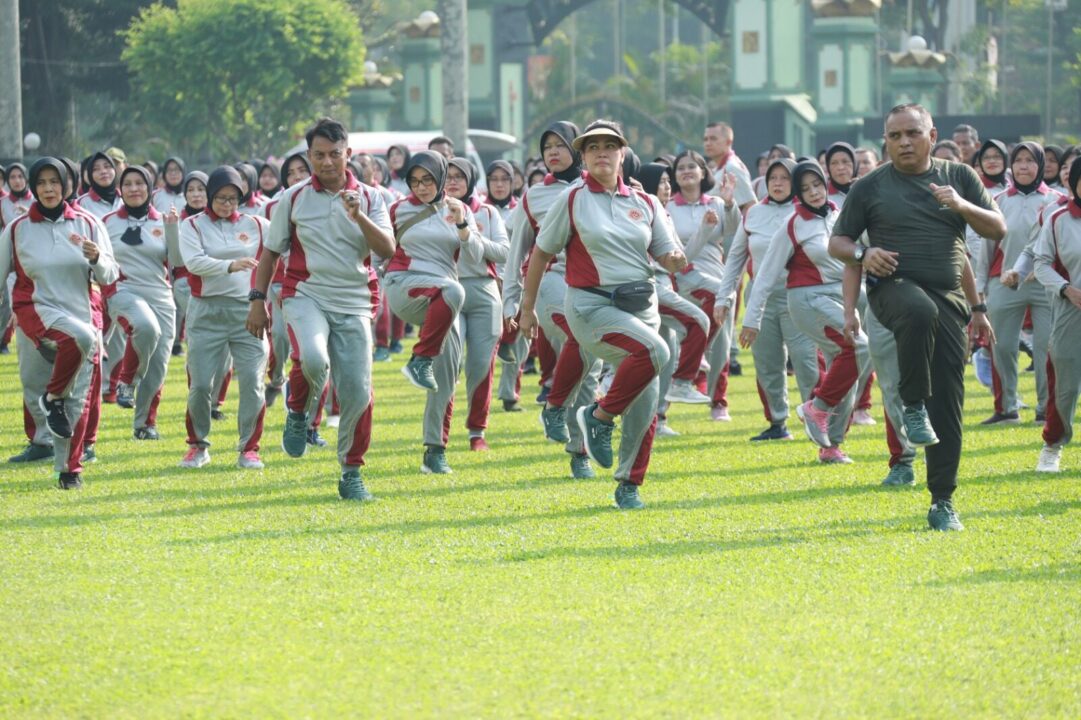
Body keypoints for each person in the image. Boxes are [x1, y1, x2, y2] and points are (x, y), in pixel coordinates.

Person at [829, 103, 1004, 531]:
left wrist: (962, 206)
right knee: (918, 310)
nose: (904, 142)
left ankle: (942, 501)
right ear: (885, 141)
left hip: (949, 300)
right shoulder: (869, 186)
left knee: (948, 400)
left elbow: (996, 230)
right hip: (893, 290)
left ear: (931, 133)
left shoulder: (959, 176)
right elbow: (838, 243)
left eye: (912, 133)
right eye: (894, 136)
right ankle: (910, 404)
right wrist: (863, 253)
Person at [520, 120, 688, 509]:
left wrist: (675, 259)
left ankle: (629, 485)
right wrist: (526, 309)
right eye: (591, 146)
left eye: (608, 146)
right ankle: (598, 416)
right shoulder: (573, 198)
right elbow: (541, 253)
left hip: (641, 306)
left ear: (622, 154)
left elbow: (667, 253)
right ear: (584, 155)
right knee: (656, 352)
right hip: (590, 307)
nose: (600, 152)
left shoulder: (645, 202)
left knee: (645, 403)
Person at [247, 117, 395, 500]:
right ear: (308, 156)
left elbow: (387, 251)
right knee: (312, 359)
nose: (327, 162)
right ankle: (298, 411)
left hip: (356, 301)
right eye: (318, 155)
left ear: (348, 153)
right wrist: (257, 300)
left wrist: (356, 214)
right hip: (305, 295)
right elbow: (271, 251)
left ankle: (351, 472)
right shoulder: (292, 198)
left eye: (334, 154)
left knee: (358, 393)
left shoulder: (372, 197)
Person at [0, 157, 118, 489]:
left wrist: (96, 258)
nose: (48, 189)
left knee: (75, 398)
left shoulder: (89, 223)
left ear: (66, 184)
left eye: (55, 182)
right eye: (42, 183)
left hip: (80, 319)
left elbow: (109, 274)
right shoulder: (17, 229)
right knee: (33, 385)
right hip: (35, 318)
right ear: (32, 187)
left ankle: (68, 469)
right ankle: (41, 434)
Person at [742, 161, 870, 464]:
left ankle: (831, 445)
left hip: (843, 300)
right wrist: (752, 319)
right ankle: (817, 407)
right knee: (859, 347)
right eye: (805, 187)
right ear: (797, 193)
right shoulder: (792, 223)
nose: (813, 192)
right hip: (807, 300)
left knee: (847, 369)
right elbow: (766, 274)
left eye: (817, 185)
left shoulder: (841, 214)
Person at [385, 151, 483, 472]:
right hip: (405, 286)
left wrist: (463, 224)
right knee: (454, 291)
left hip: (444, 300)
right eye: (414, 181)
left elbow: (476, 253)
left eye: (428, 180)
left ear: (440, 179)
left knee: (447, 376)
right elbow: (378, 252)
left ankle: (435, 450)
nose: (421, 187)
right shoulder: (398, 209)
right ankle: (419, 358)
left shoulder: (458, 208)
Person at [717, 158, 821, 441]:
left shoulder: (806, 214)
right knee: (767, 363)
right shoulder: (753, 214)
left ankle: (818, 417)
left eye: (784, 178)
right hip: (760, 299)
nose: (777, 183)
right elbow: (736, 258)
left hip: (797, 296)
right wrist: (724, 297)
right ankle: (777, 422)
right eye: (772, 178)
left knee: (806, 361)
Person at [178, 166, 269, 470]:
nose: (227, 204)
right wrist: (230, 265)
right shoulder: (192, 225)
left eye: (233, 198)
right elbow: (193, 262)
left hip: (247, 312)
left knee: (254, 382)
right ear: (209, 196)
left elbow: (285, 240)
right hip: (206, 312)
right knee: (201, 385)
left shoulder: (256, 223)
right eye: (220, 198)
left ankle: (249, 448)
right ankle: (197, 446)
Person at [980, 143, 1061, 425]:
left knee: (1046, 346)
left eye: (1030, 161)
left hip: (1046, 284)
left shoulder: (1057, 199)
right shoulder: (998, 201)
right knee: (1002, 345)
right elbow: (986, 247)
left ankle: (1045, 409)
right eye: (1019, 161)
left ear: (1040, 165)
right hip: (1004, 280)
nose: (1024, 166)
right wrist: (981, 286)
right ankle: (1006, 408)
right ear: (1011, 166)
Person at [636, 161, 711, 437]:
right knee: (699, 320)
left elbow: (680, 259)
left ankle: (657, 420)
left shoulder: (664, 215)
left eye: (669, 182)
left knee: (666, 355)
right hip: (651, 287)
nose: (667, 187)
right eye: (662, 182)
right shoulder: (641, 212)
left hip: (667, 282)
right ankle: (682, 382)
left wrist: (703, 230)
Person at [102, 166, 177, 440]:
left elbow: (177, 265)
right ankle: (125, 383)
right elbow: (99, 262)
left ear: (149, 188)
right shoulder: (107, 222)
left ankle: (144, 425)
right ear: (120, 190)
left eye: (140, 183)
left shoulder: (164, 221)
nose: (134, 189)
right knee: (146, 327)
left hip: (161, 295)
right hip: (123, 291)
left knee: (157, 368)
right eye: (128, 184)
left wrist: (173, 230)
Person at [665, 149, 740, 420]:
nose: (686, 171)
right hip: (684, 278)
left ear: (702, 172)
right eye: (680, 168)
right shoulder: (668, 207)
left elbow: (733, 230)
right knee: (673, 341)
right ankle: (662, 410)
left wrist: (730, 204)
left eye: (691, 167)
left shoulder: (717, 203)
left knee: (721, 344)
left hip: (717, 278)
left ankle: (718, 401)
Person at [445, 157, 510, 451]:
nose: (454, 182)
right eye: (448, 176)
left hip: (484, 291)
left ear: (470, 179)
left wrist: (472, 238)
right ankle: (439, 433)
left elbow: (504, 253)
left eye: (460, 176)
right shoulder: (433, 211)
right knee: (449, 361)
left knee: (481, 364)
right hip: (448, 289)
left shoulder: (487, 211)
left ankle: (476, 431)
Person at [1032, 159, 1081, 472]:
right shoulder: (1058, 218)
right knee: (1064, 383)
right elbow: (1041, 264)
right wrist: (1066, 289)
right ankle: (1053, 445)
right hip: (1070, 310)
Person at [262, 152, 311, 407]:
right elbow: (266, 251)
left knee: (308, 345)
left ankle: (303, 400)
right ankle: (278, 377)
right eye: (290, 173)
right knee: (280, 335)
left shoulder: (324, 202)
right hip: (281, 284)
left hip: (316, 284)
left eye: (302, 170)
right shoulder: (272, 206)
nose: (297, 177)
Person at [76, 152, 121, 219]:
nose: (103, 171)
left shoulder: (124, 198)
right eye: (96, 169)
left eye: (107, 166)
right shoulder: (82, 203)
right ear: (90, 175)